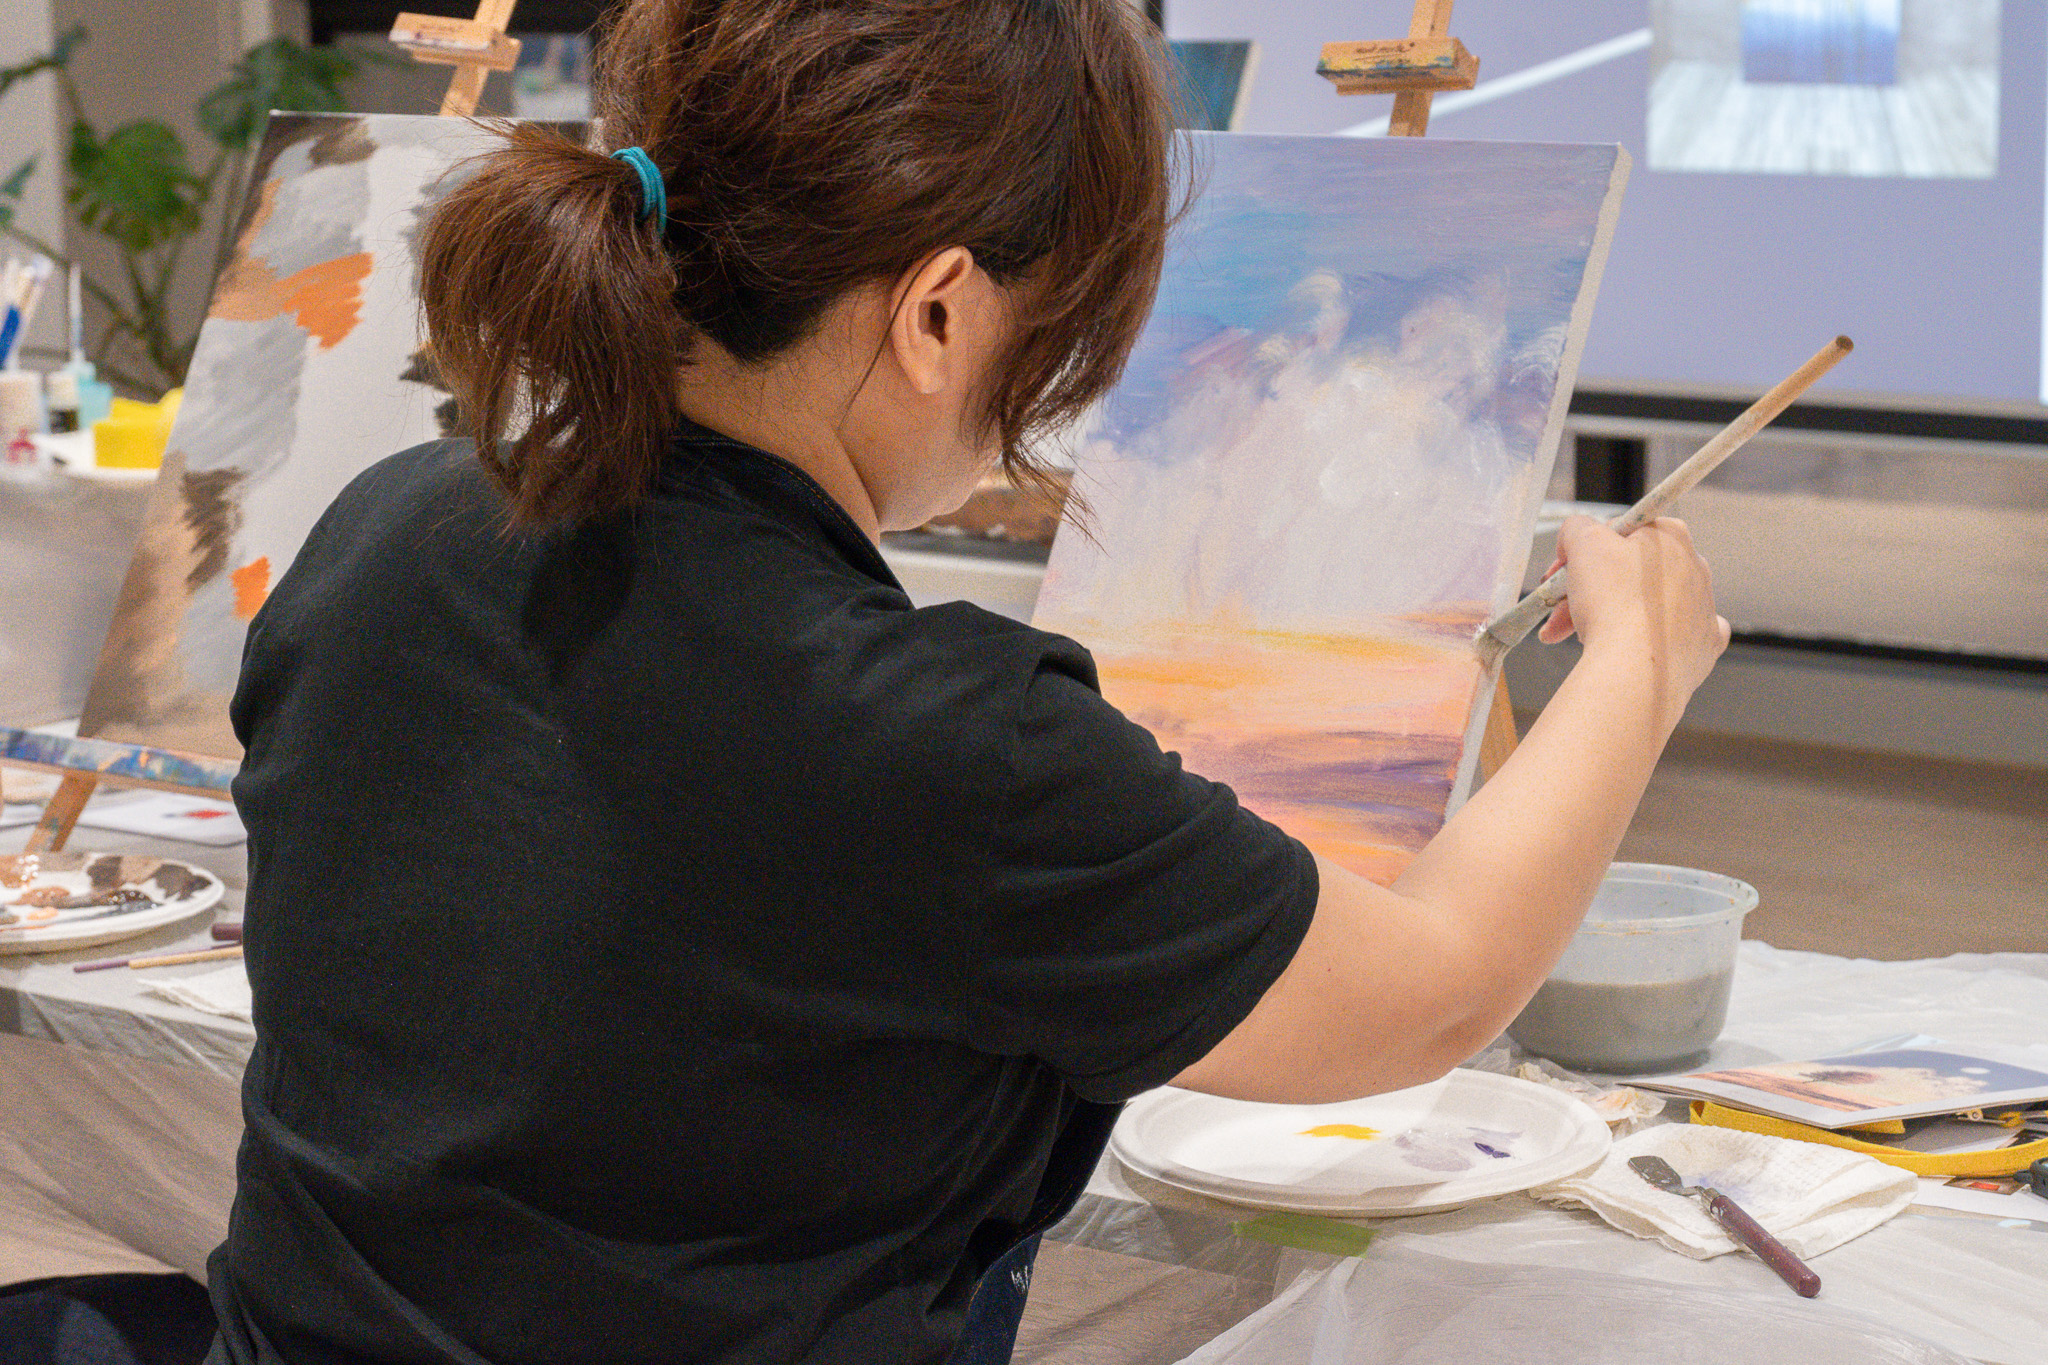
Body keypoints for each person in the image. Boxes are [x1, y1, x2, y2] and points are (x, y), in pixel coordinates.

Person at [205, 1, 1730, 1362]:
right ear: (938, 310)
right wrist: (1639, 662)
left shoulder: (384, 533)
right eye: (1059, 332)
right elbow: (1434, 984)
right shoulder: (939, 739)